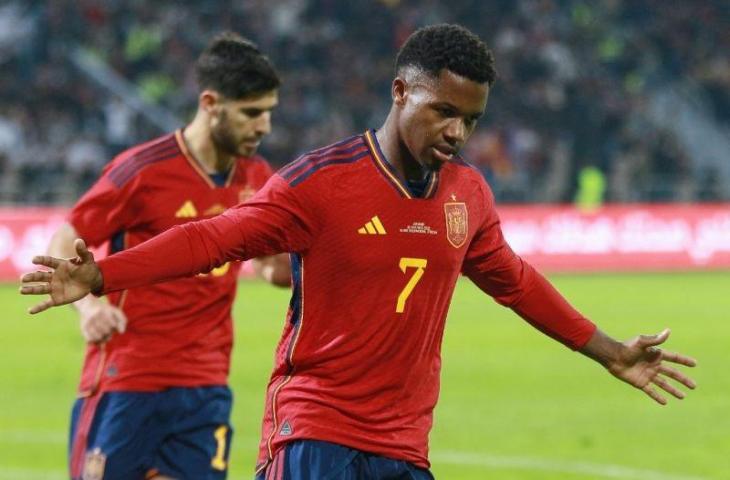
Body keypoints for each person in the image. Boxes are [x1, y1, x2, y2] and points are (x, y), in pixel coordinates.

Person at [21, 24, 696, 480]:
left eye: (473, 119)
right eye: (442, 112)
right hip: (314, 432)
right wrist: (103, 274)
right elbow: (213, 239)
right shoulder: (321, 182)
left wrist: (610, 351)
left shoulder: (468, 195)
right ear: (401, 92)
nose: (458, 132)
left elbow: (515, 281)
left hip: (404, 444)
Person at [41, 32, 290, 480]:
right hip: (127, 377)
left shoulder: (258, 177)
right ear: (211, 103)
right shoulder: (143, 170)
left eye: (269, 112)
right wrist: (88, 308)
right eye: (252, 113)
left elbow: (273, 267)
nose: (264, 127)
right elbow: (66, 237)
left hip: (205, 385)